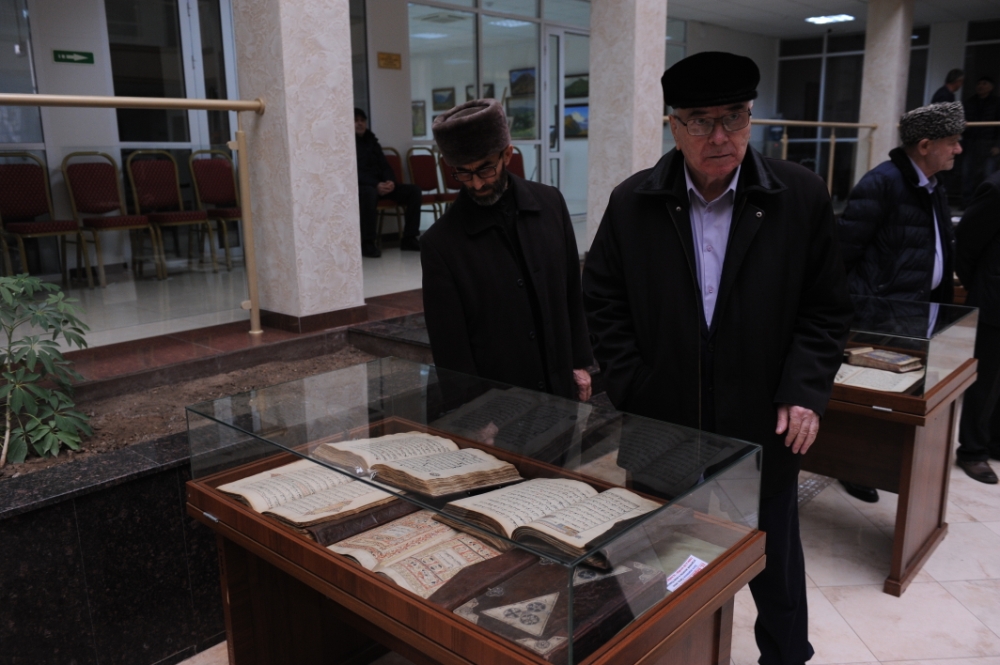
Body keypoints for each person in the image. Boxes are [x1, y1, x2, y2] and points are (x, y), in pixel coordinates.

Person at [583, 52, 852, 665]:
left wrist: (804, 388)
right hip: (662, 424)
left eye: (734, 117)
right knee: (661, 567)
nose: (720, 136)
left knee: (773, 567)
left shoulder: (798, 196)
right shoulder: (633, 202)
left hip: (758, 424)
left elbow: (826, 309)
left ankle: (785, 658)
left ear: (751, 117)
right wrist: (633, 384)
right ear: (673, 126)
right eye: (701, 121)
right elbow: (601, 299)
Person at [421, 99, 593, 403]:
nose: (476, 183)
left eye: (485, 169)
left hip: (558, 384)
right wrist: (473, 412)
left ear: (508, 154)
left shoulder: (551, 204)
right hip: (497, 401)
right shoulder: (441, 243)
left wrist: (579, 362)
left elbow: (570, 291)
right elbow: (450, 345)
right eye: (463, 173)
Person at [836, 101, 965, 502]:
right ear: (925, 146)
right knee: (872, 402)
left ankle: (883, 466)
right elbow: (844, 253)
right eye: (952, 141)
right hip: (881, 316)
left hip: (918, 311)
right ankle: (854, 469)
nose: (958, 149)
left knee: (901, 402)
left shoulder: (932, 186)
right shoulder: (881, 183)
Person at [954, 169, 1000, 484]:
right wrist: (979, 285)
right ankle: (972, 451)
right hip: (994, 298)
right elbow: (967, 242)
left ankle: (996, 442)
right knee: (985, 380)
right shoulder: (996, 189)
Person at [355, 108, 422, 258]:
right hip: (365, 187)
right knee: (369, 193)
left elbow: (384, 165)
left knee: (414, 191)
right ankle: (368, 243)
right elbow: (354, 172)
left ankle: (409, 238)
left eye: (362, 120)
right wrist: (376, 185)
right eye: (356, 120)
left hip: (382, 185)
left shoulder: (372, 141)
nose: (360, 123)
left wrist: (390, 181)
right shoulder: (347, 144)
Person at [962, 77, 1000, 206]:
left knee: (988, 174)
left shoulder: (997, 103)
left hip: (989, 144)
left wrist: (998, 146)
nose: (981, 86)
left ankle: (986, 204)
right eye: (979, 83)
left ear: (991, 87)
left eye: (984, 83)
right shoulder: (970, 102)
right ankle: (967, 202)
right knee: (967, 174)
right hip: (971, 143)